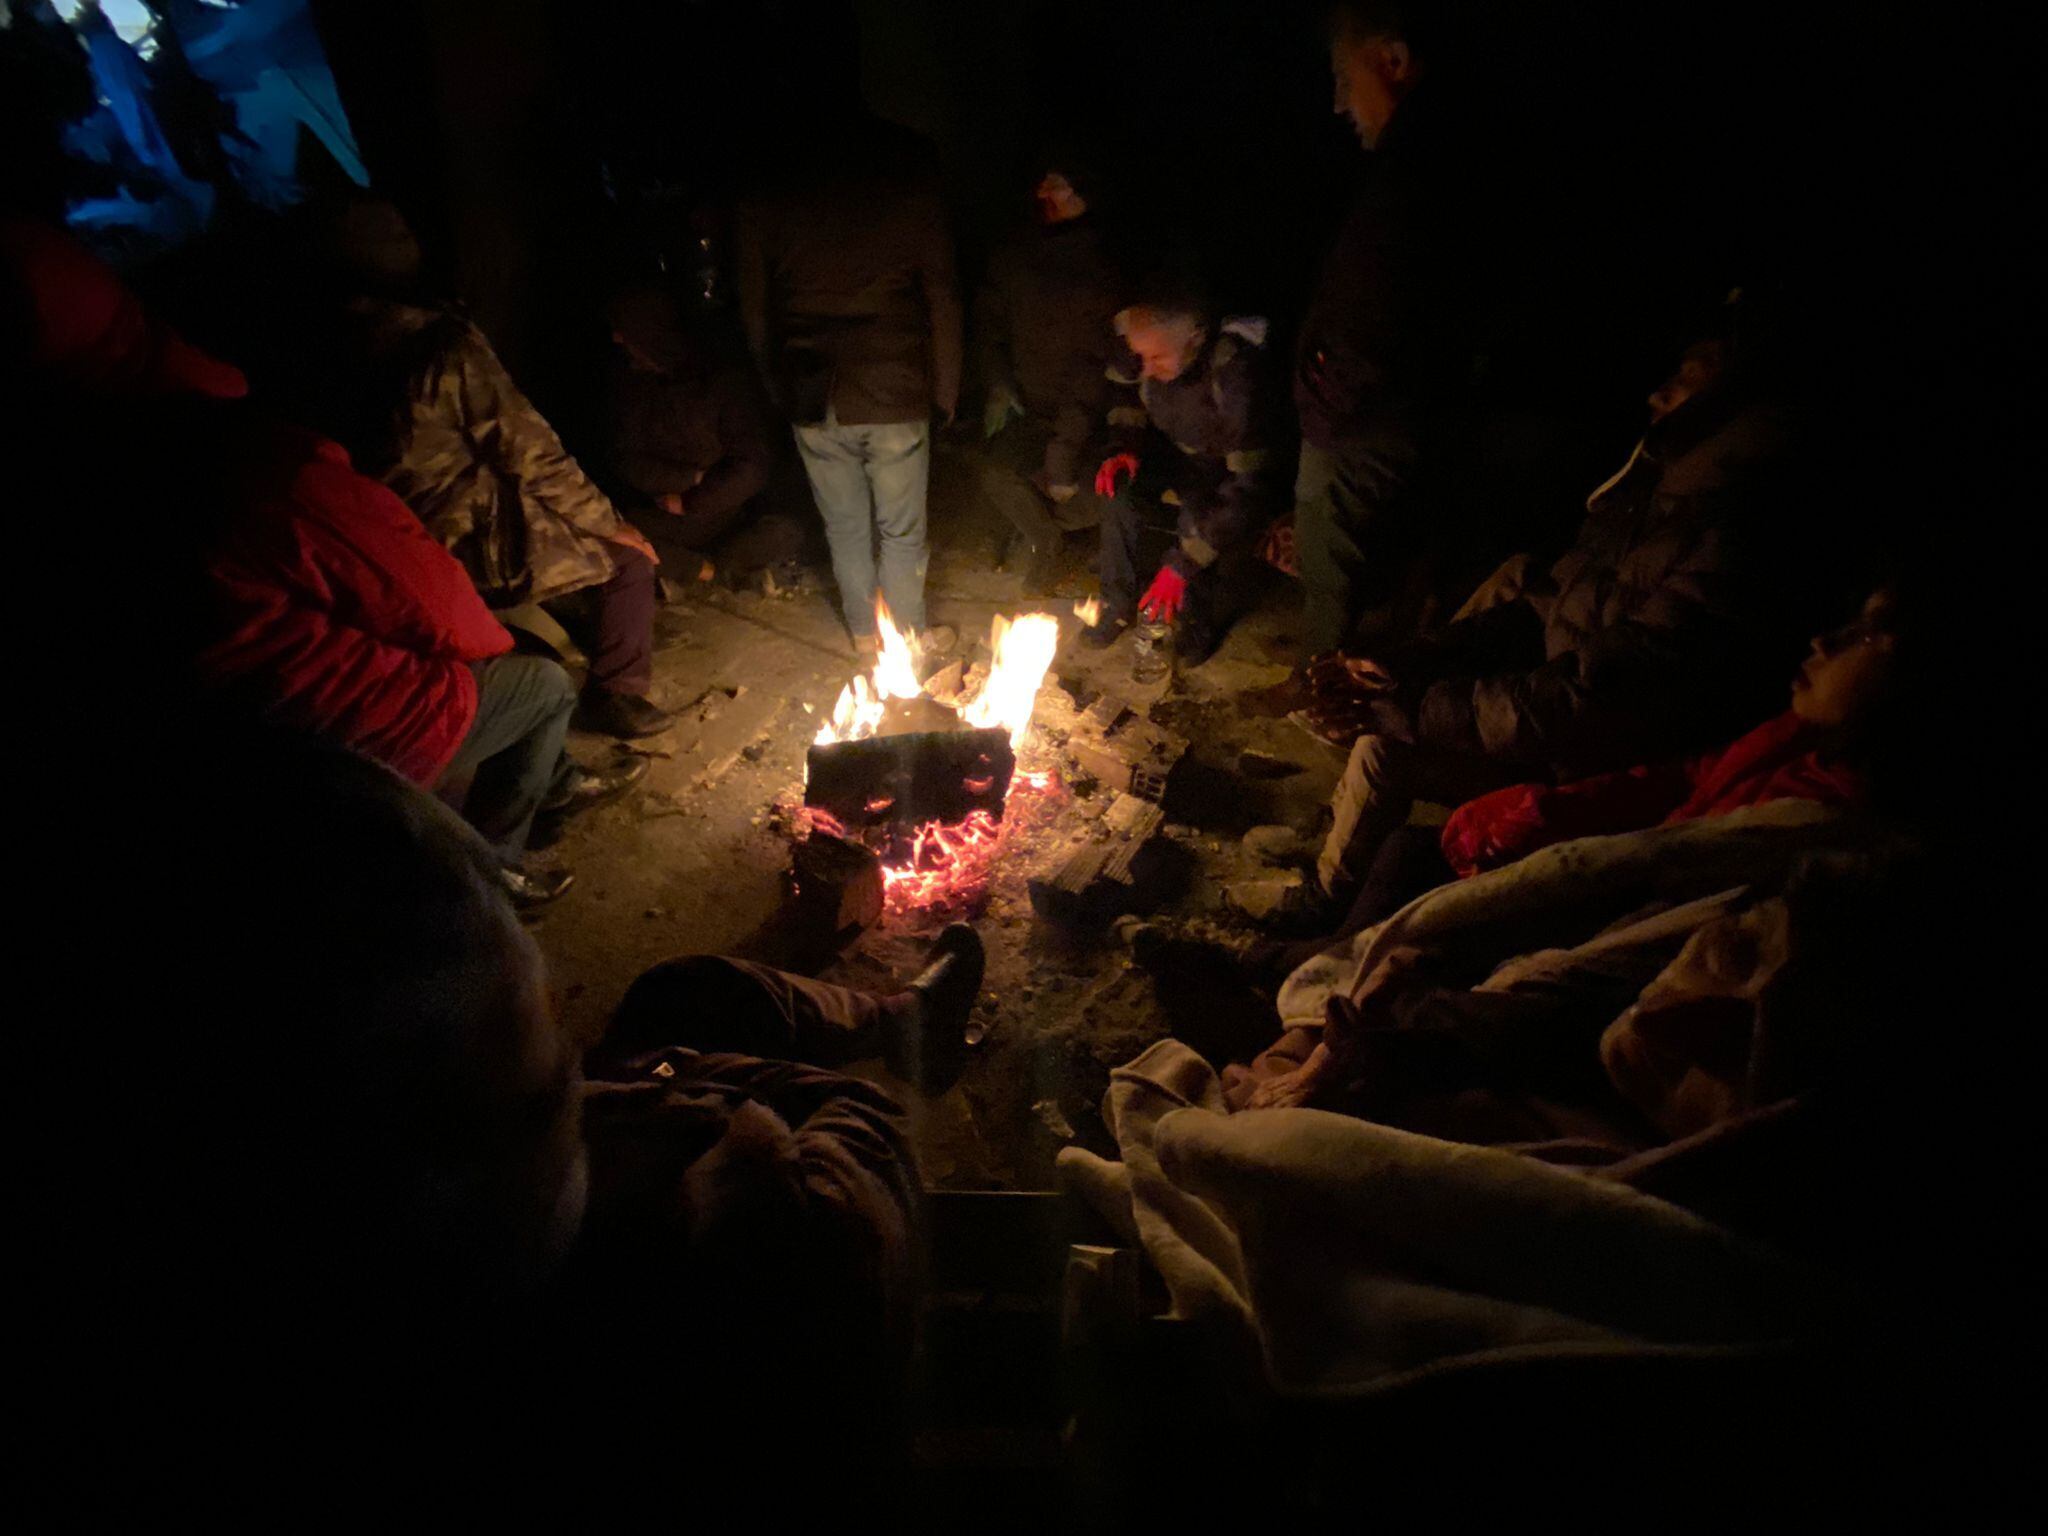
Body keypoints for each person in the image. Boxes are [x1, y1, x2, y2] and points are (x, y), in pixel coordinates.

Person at [109, 723, 972, 1508]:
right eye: (540, 1065)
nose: (568, 1052)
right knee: (832, 1099)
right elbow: (857, 1141)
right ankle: (904, 1035)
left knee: (681, 990)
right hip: (748, 1203)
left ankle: (892, 1021)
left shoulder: (394, 1216)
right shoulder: (758, 1269)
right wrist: (729, 1116)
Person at [1290, 320, 1822, 923]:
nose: (1657, 392)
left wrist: (1411, 707)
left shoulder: (1732, 538)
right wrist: (1406, 666)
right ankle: (1333, 865)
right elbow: (1542, 607)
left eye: (1680, 383)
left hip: (1593, 767)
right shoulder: (1658, 498)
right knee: (1504, 591)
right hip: (1558, 725)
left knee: (1385, 744)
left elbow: (1592, 698)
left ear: (1722, 411)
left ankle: (1320, 905)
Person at [294, 196, 676, 741]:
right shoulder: (440, 346)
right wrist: (612, 523)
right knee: (627, 562)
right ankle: (617, 695)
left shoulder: (332, 339)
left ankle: (563, 637)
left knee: (580, 554)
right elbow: (532, 455)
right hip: (466, 529)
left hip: (388, 526)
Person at [1292, 0, 1491, 654]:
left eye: (1346, 80)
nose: (1338, 104)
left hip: (1367, 424)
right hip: (1368, 416)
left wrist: (1329, 404)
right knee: (1344, 564)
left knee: (1346, 568)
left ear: (1394, 60)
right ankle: (1335, 679)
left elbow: (1392, 309)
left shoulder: (1431, 167)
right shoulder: (1423, 157)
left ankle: (1333, 694)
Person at [736, 111, 962, 655]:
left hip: (813, 392)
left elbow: (755, 312)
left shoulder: (771, 203)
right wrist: (946, 394)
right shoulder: (910, 200)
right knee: (901, 530)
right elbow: (944, 302)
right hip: (894, 387)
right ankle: (905, 637)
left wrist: (776, 388)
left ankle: (864, 634)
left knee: (845, 527)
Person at [1084, 282, 1286, 664]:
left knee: (1197, 517)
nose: (1145, 368)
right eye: (1141, 357)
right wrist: (1124, 447)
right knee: (1117, 489)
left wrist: (1180, 565)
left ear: (1194, 339)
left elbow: (1250, 484)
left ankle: (1196, 617)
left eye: (1156, 358)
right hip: (1173, 452)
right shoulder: (1146, 349)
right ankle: (1117, 602)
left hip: (1222, 470)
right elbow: (1128, 396)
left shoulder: (1236, 372)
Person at [970, 153, 1125, 591]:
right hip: (1033, 411)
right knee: (995, 471)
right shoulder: (1019, 253)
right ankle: (1045, 541)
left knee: (1080, 491)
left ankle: (1071, 546)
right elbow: (991, 319)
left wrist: (1062, 457)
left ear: (1084, 193)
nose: (1043, 194)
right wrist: (998, 383)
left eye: (1056, 185)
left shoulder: (1101, 268)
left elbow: (1092, 373)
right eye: (1042, 183)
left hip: (1087, 424)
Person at [605, 278, 803, 585]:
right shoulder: (634, 387)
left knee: (784, 530)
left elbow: (751, 466)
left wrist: (694, 499)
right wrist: (686, 480)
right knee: (610, 535)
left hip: (723, 511)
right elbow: (626, 460)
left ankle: (708, 568)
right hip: (663, 512)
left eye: (625, 329)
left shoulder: (721, 384)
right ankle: (709, 571)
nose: (617, 339)